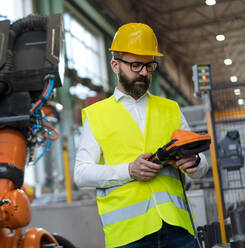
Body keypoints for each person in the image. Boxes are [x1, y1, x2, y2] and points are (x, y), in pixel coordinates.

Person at [74, 23, 209, 248]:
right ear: (115, 66)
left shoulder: (170, 109)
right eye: (136, 65)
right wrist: (129, 170)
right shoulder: (97, 115)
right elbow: (81, 174)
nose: (144, 73)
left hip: (177, 231)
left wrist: (194, 162)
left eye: (149, 65)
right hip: (128, 236)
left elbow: (201, 167)